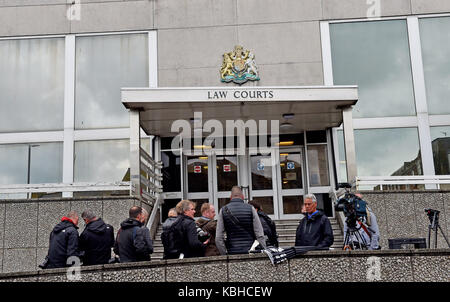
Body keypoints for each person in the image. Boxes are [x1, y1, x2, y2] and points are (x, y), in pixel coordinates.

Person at [216, 186, 267, 255]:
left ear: (230, 197)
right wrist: (263, 249)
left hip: (232, 251)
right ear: (242, 196)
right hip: (250, 251)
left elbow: (218, 237)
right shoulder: (251, 208)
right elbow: (259, 234)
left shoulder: (223, 210)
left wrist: (224, 254)